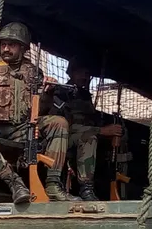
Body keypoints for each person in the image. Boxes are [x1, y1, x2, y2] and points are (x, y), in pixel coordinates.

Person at [0, 22, 74, 203]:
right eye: (3, 44)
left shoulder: (34, 72)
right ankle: (14, 182)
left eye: (11, 45)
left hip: (21, 128)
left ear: (23, 48)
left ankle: (53, 184)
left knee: (59, 123)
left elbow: (42, 110)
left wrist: (49, 92)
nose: (5, 49)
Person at [42, 56, 123, 201]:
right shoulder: (61, 92)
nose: (84, 77)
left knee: (90, 138)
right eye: (81, 73)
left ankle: (87, 188)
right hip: (59, 139)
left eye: (87, 74)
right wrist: (101, 131)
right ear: (71, 73)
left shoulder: (85, 96)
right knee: (89, 136)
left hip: (80, 139)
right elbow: (63, 124)